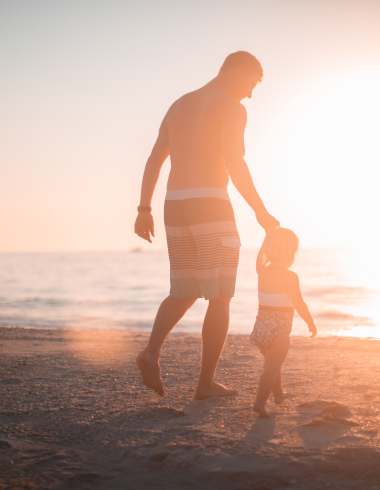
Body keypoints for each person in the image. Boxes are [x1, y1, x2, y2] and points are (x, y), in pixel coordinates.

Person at [135, 51, 279, 399]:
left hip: (174, 205)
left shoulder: (179, 104)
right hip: (210, 204)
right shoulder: (231, 107)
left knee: (184, 291)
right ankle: (205, 384)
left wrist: (143, 208)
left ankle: (151, 352)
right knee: (220, 296)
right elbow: (235, 161)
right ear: (238, 72)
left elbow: (156, 157)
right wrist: (260, 211)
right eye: (251, 84)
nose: (249, 94)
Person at [251, 227, 317, 417]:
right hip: (279, 331)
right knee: (271, 368)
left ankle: (278, 394)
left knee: (274, 363)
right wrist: (310, 322)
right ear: (291, 253)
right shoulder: (290, 276)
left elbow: (260, 255)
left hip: (261, 330)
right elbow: (298, 303)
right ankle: (259, 403)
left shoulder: (261, 270)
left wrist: (267, 236)